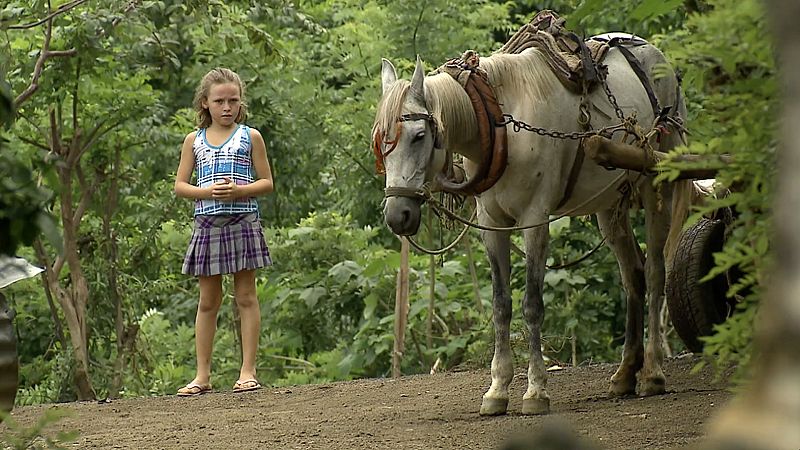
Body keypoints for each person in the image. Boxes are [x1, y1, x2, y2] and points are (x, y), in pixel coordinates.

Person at [173, 67, 274, 396]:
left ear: (240, 102)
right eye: (219, 101)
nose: (226, 107)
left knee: (246, 296)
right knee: (208, 301)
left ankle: (248, 371)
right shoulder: (194, 141)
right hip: (207, 225)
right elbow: (180, 185)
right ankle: (202, 375)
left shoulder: (250, 136)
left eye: (232, 100)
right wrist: (208, 193)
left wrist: (239, 191)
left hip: (243, 221)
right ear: (205, 103)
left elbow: (267, 182)